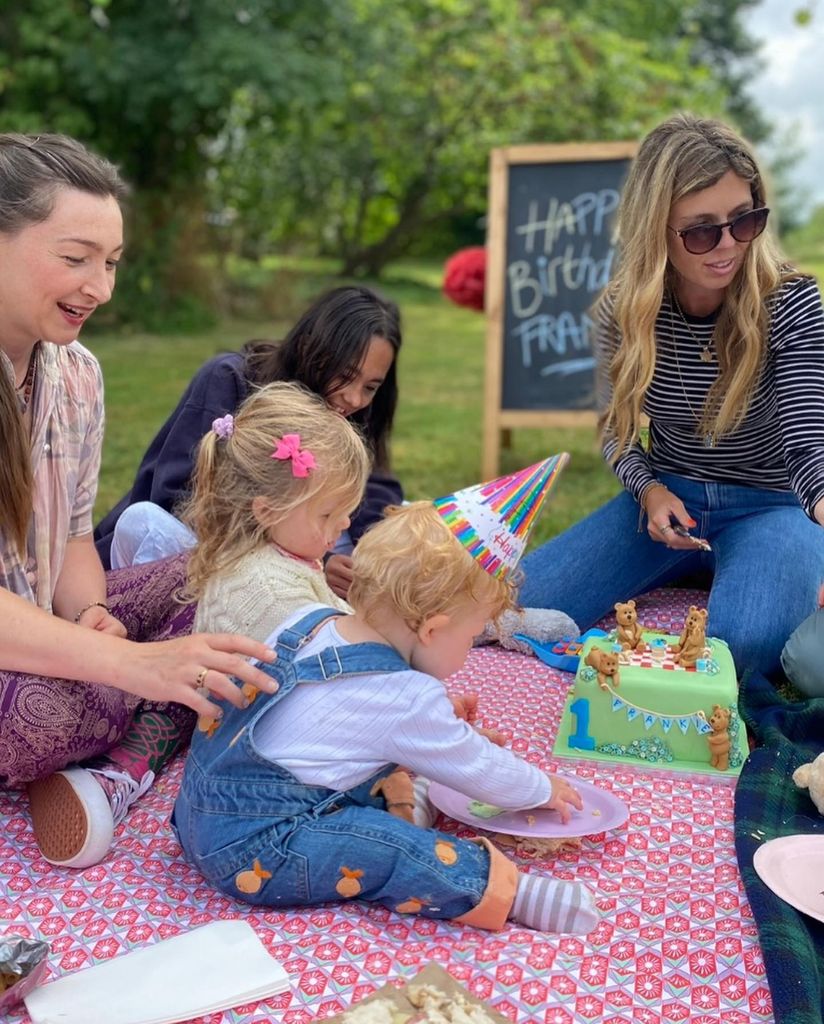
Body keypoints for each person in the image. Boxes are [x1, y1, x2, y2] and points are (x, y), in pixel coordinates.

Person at [0, 132, 278, 871]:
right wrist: (136, 666)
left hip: (44, 636)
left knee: (227, 580)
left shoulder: (79, 375)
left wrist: (94, 613)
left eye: (112, 263)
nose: (101, 287)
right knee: (43, 714)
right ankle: (138, 744)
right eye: (75, 258)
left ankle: (113, 772)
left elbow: (72, 541)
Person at [173, 460, 599, 934]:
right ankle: (508, 890)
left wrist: (440, 730)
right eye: (474, 634)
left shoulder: (313, 619)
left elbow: (333, 727)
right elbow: (479, 767)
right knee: (388, 848)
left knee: (361, 789)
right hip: (255, 853)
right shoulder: (407, 696)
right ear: (433, 630)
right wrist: (542, 788)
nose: (469, 649)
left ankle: (404, 798)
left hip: (195, 813)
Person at [518, 113, 824, 678]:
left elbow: (810, 444)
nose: (728, 245)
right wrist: (650, 490)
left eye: (745, 219)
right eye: (702, 230)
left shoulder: (793, 301)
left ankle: (745, 563)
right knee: (522, 603)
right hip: (670, 498)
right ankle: (702, 566)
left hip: (772, 504)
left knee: (742, 650)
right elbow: (616, 430)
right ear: (656, 228)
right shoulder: (624, 309)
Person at [93, 284, 403, 599]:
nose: (353, 397)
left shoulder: (354, 410)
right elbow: (180, 498)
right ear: (314, 349)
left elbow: (375, 483)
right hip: (196, 543)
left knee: (397, 526)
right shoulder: (230, 379)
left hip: (299, 543)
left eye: (371, 386)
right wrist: (316, 560)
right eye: (346, 376)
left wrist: (371, 554)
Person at [181, 381, 371, 642]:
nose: (345, 522)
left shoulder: (282, 553)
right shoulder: (272, 594)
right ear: (268, 511)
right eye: (327, 514)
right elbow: (348, 661)